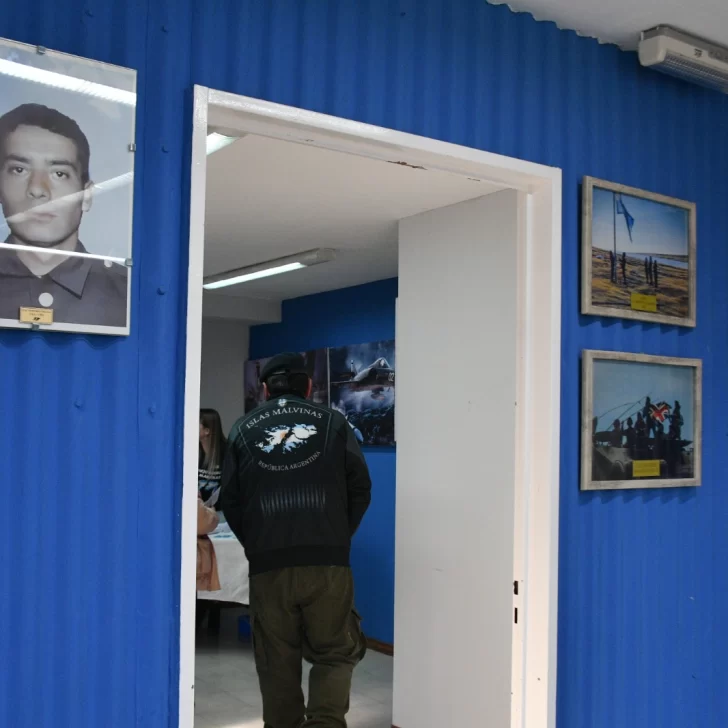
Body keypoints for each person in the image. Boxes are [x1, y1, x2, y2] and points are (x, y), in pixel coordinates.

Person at [221, 352, 372, 728]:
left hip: (268, 564)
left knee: (276, 659)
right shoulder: (335, 423)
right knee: (334, 652)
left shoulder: (242, 429)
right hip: (328, 562)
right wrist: (337, 537)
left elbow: (231, 500)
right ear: (308, 387)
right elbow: (360, 487)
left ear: (265, 389)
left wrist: (257, 544)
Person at [0, 103, 127, 327]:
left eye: (59, 173)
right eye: (19, 170)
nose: (37, 189)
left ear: (86, 196)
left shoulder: (127, 293)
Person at [199, 408, 226, 509]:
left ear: (207, 431)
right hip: (197, 510)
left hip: (220, 512)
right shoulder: (191, 452)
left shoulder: (227, 453)